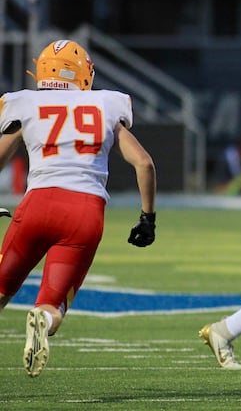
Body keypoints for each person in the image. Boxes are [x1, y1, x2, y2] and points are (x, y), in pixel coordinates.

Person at [0, 39, 157, 378]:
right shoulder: (106, 104)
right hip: (85, 212)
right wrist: (148, 218)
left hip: (36, 205)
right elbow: (144, 163)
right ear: (83, 73)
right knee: (52, 303)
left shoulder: (25, 104)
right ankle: (43, 318)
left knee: (1, 287)